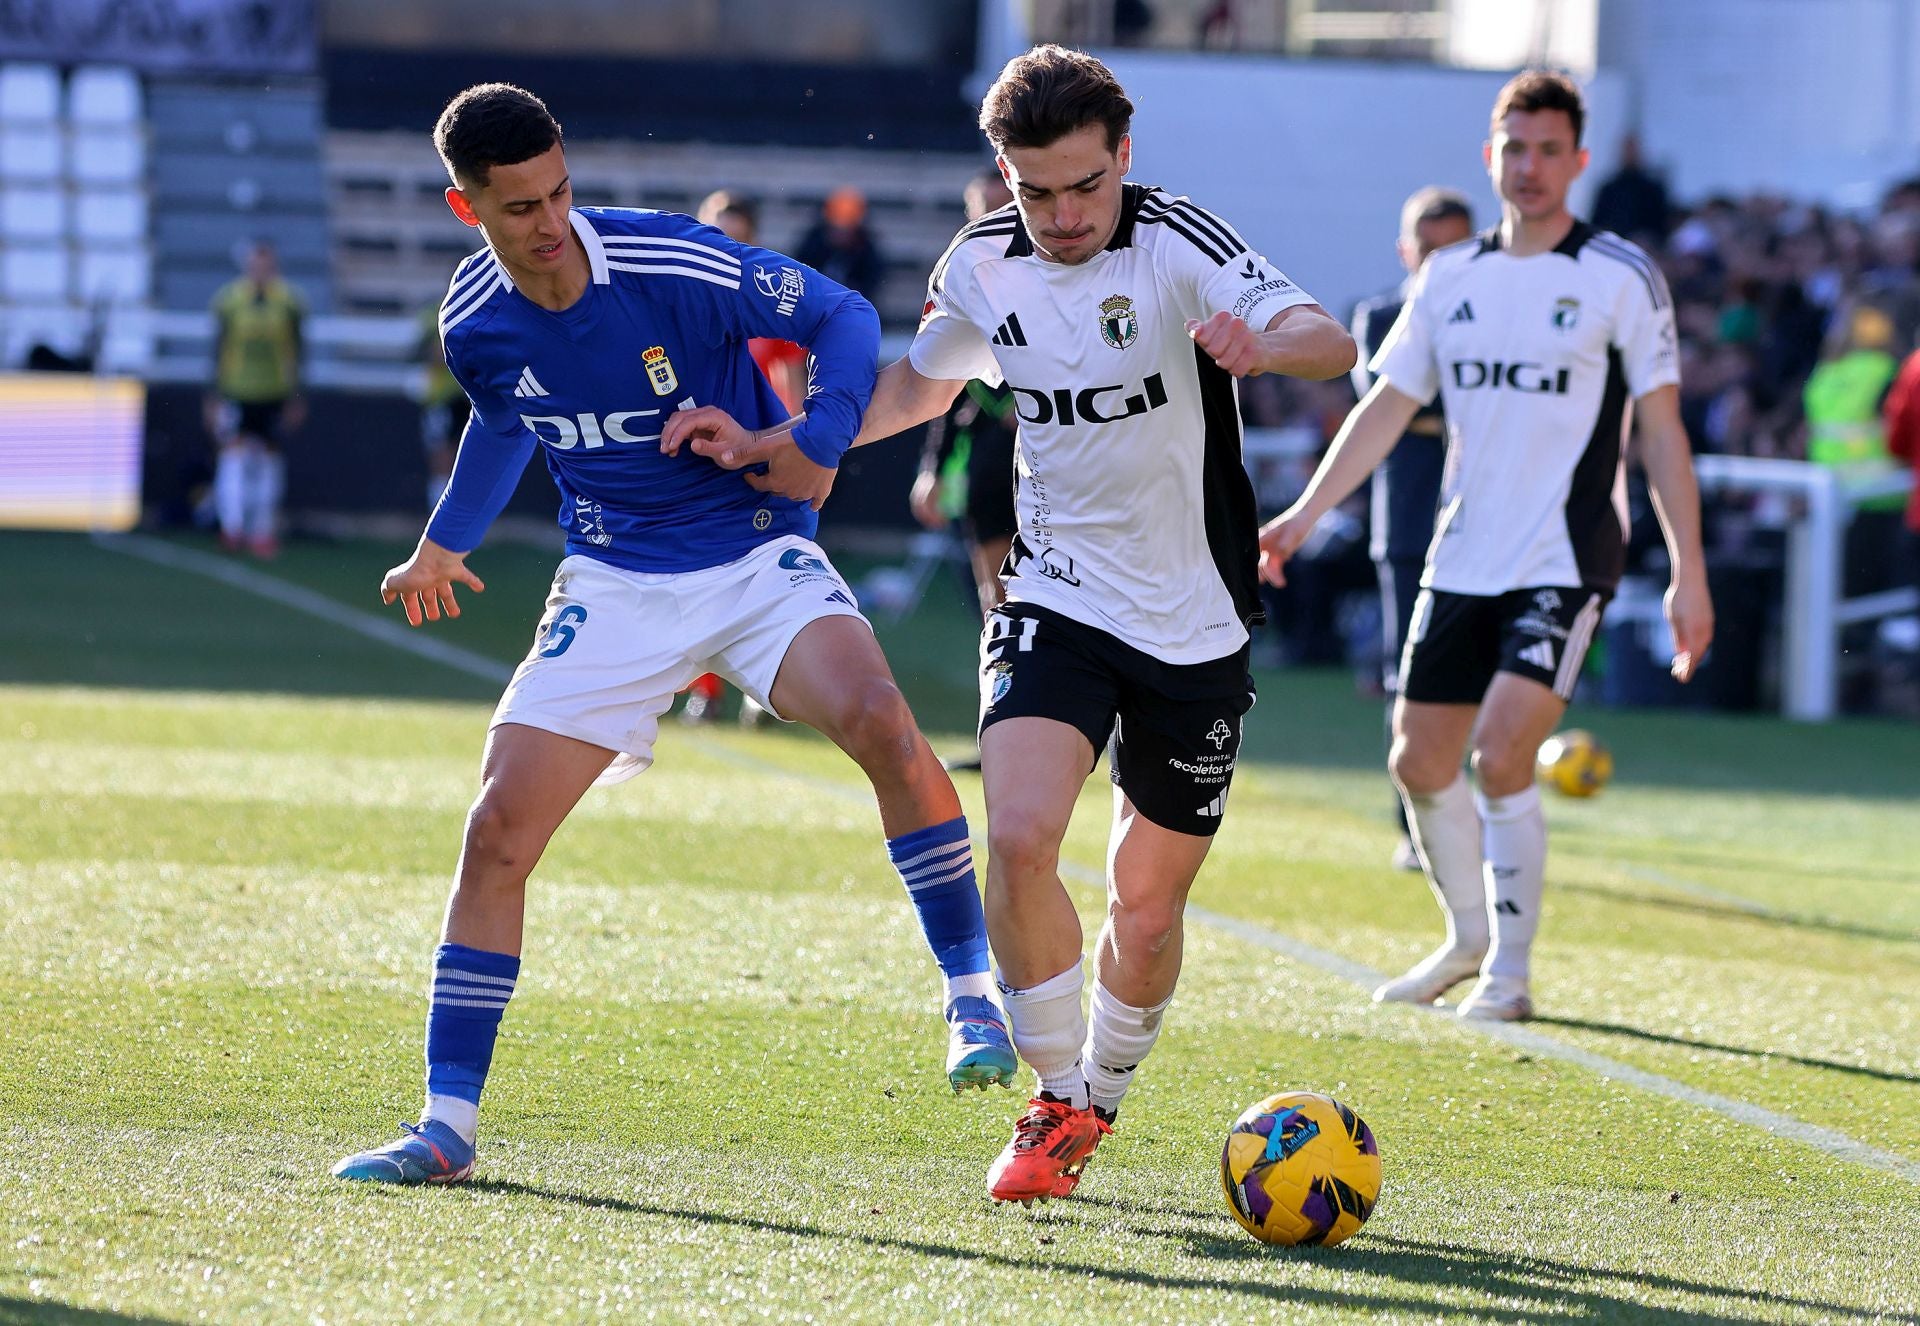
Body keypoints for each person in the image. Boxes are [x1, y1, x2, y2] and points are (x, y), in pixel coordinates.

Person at [686, 45, 1355, 1203]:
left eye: (1086, 185)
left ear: (1123, 158)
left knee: (1146, 908)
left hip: (1195, 620)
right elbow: (920, 386)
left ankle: (1101, 1090)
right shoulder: (984, 264)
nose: (1063, 214)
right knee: (1023, 835)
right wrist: (780, 442)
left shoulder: (1177, 241)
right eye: (1036, 191)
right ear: (1005, 175)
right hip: (1055, 594)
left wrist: (1264, 343)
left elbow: (1329, 338)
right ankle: (1055, 1098)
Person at [332, 84, 1014, 1187]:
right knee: (496, 829)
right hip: (612, 582)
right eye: (519, 208)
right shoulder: (474, 319)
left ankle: (972, 996)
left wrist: (815, 441)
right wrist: (443, 543)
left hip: (752, 555)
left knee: (884, 722)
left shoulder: (671, 260)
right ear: (468, 208)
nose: (550, 223)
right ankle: (446, 1125)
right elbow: (504, 420)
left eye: (559, 193)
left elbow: (842, 316)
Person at [1262, 71, 1714, 1022]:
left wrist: (1689, 572)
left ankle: (1510, 971)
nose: (1530, 166)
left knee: (1504, 754)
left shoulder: (1619, 276)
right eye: (1515, 148)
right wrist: (1301, 515)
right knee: (1418, 762)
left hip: (1566, 555)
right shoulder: (1450, 274)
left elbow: (1663, 429)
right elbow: (1385, 408)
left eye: (1549, 150)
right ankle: (1466, 939)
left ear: (1579, 162)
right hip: (1462, 553)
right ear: (1490, 155)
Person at [1351, 188, 1475, 870]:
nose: (1440, 263)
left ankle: (1474, 815)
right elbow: (1392, 404)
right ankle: (1416, 828)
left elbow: (1420, 405)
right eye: (1429, 249)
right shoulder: (1380, 315)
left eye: (1455, 249)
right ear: (1406, 251)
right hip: (1406, 523)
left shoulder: (1496, 317)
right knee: (1408, 673)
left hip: (1482, 519)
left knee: (1480, 679)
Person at [206, 241, 306, 557]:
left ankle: (262, 530)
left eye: (266, 266)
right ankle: (232, 527)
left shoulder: (289, 302)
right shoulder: (229, 300)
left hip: (274, 391)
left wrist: (297, 396)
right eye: (255, 266)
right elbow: (217, 348)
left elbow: (299, 350)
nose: (261, 271)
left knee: (269, 460)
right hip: (236, 390)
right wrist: (212, 395)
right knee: (233, 456)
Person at [417, 296, 470, 509]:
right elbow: (427, 353)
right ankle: (438, 510)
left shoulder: (477, 306)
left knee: (466, 455)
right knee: (441, 454)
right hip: (442, 396)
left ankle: (462, 511)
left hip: (470, 396)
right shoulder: (433, 314)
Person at [795, 187, 886, 304]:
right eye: (836, 227)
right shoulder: (813, 243)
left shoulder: (865, 249)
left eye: (846, 228)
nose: (841, 233)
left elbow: (870, 283)